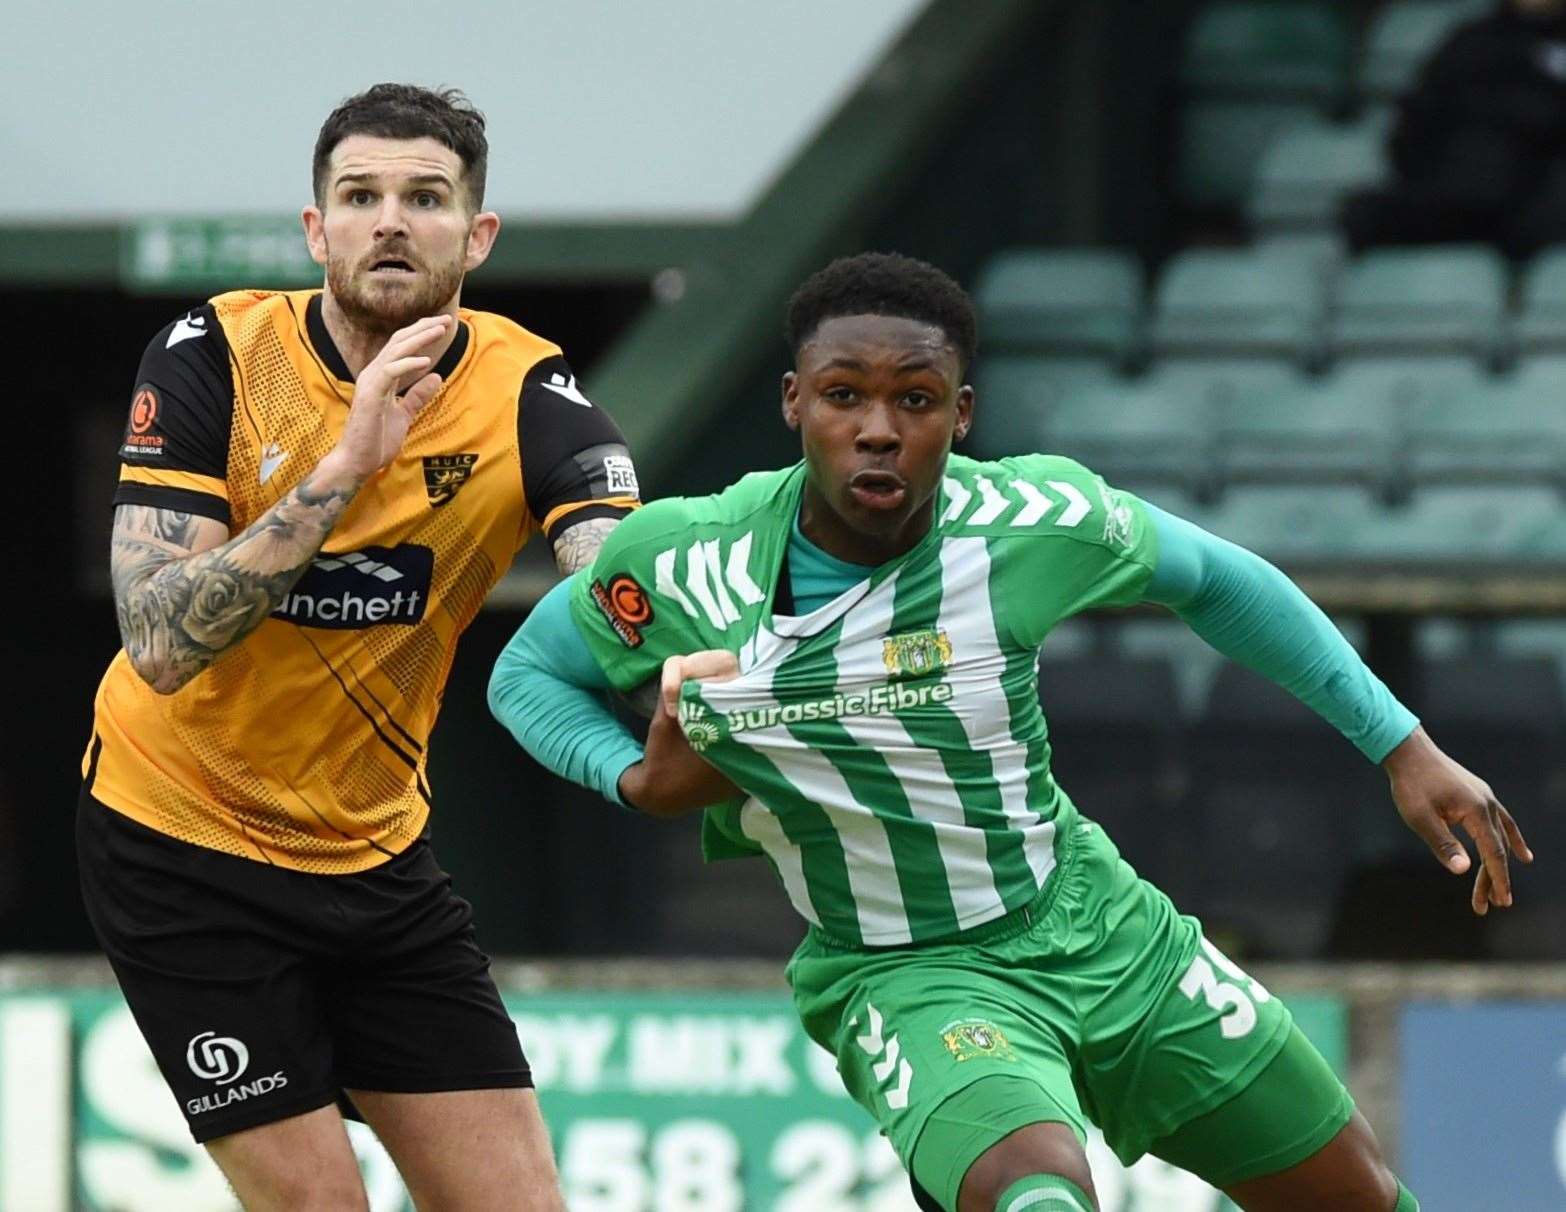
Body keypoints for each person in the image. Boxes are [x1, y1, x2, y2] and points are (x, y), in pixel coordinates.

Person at [489, 252, 1533, 1212]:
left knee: (1357, 1200)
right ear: (795, 402)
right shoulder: (684, 559)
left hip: (1100, 924)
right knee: (1037, 1195)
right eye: (845, 395)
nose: (879, 427)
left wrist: (1401, 744)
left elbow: (1218, 579)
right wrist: (631, 777)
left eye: (917, 400)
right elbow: (529, 674)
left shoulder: (1033, 521)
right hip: (905, 969)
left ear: (963, 412)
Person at [79, 83, 642, 1210]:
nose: (391, 220)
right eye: (361, 195)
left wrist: (670, 643)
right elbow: (156, 642)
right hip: (180, 846)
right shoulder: (216, 357)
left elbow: (623, 573)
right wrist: (346, 466)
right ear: (315, 229)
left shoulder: (528, 394)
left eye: (425, 198)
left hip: (372, 858)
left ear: (475, 237)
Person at [1344, 0, 1566, 258]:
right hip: (1454, 191)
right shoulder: (1470, 41)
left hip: (1534, 196)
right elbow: (1413, 130)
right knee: (1364, 216)